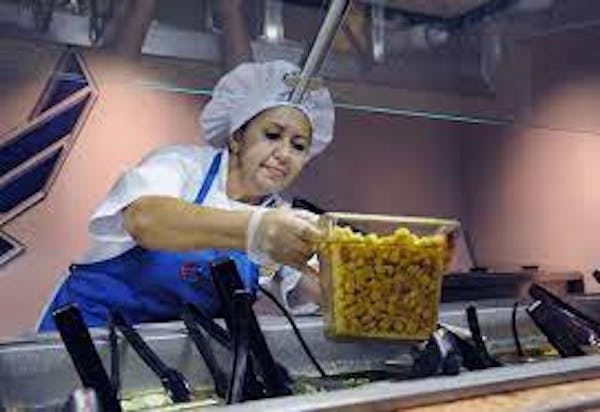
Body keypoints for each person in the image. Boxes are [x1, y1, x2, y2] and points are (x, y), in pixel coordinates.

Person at [37, 60, 335, 331]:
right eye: (272, 135)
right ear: (236, 137)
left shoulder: (284, 218)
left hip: (175, 358)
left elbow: (327, 293)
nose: (284, 154)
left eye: (298, 146)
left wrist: (349, 263)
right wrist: (256, 230)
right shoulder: (181, 166)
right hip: (85, 336)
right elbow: (145, 218)